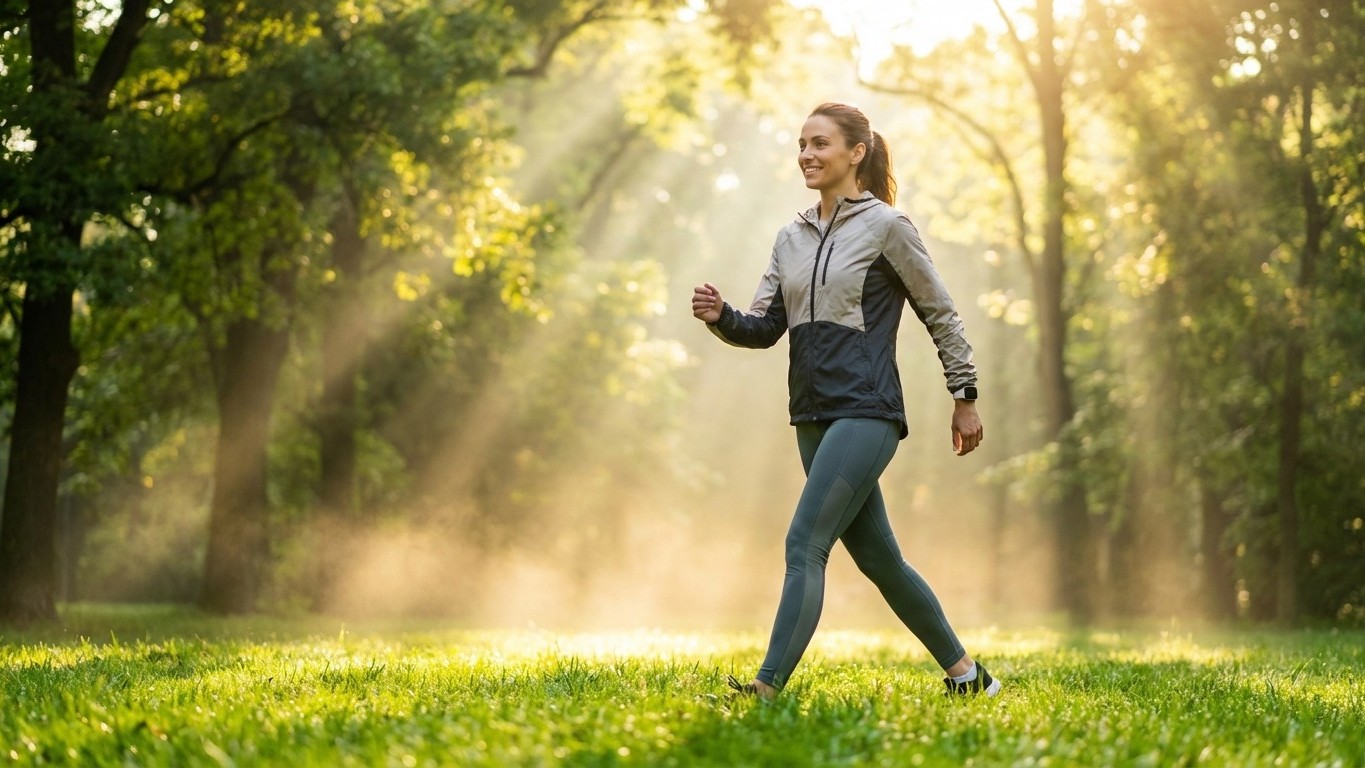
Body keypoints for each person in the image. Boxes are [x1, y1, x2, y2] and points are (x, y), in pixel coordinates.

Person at [691, 102, 999, 699]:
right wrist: (721, 316)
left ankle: (767, 687)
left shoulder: (887, 226)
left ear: (856, 152)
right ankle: (968, 677)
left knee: (805, 542)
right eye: (802, 144)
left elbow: (940, 312)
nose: (807, 154)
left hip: (867, 410)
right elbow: (763, 327)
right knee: (881, 560)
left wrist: (964, 395)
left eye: (820, 143)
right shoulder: (790, 236)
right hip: (810, 413)